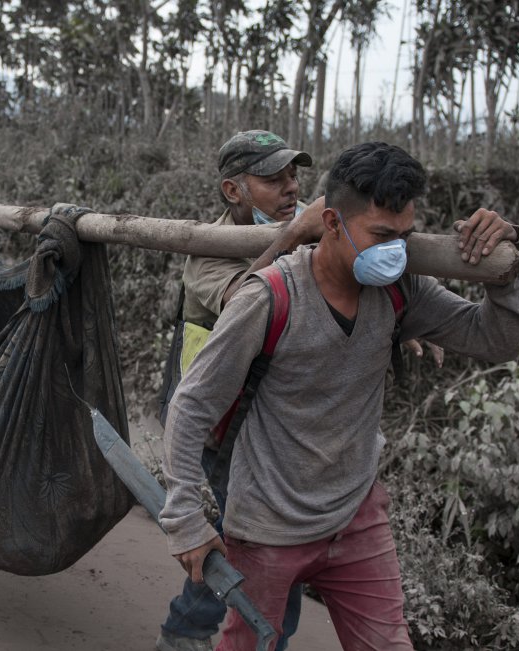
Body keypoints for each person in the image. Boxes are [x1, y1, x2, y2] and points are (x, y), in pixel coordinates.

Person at [160, 141, 519, 650]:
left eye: (405, 236)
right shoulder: (268, 297)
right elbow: (193, 403)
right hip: (268, 522)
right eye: (380, 235)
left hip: (357, 514)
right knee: (256, 641)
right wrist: (184, 519)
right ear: (331, 223)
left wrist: (505, 273)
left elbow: (496, 338)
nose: (395, 251)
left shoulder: (401, 290)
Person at [157, 130, 316, 651]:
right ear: (233, 191)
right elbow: (250, 300)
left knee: (256, 537)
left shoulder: (307, 226)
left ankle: (191, 631)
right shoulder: (206, 252)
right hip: (216, 419)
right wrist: (294, 238)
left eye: (294, 177)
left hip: (272, 417)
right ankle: (193, 633)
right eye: (273, 179)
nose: (291, 189)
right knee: (252, 538)